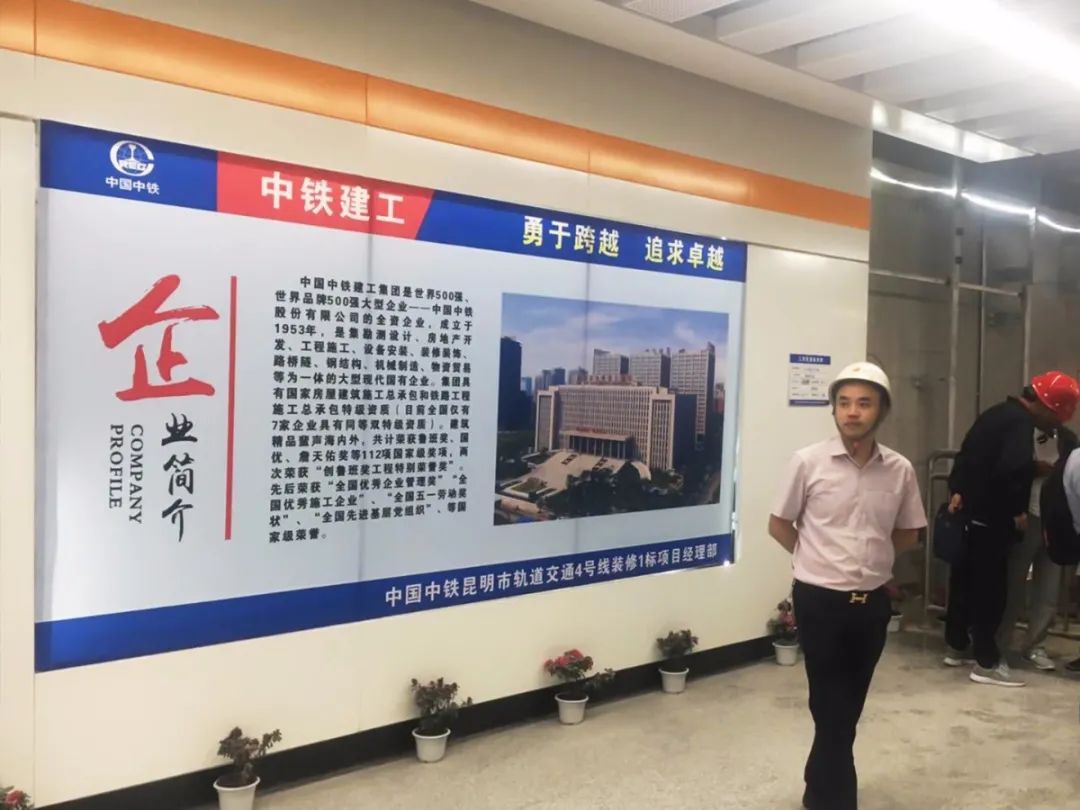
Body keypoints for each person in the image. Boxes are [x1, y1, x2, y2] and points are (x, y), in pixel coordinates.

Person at [769, 362, 926, 810]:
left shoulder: (899, 470)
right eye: (844, 403)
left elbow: (909, 532)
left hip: (872, 602)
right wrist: (816, 560)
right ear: (834, 409)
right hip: (819, 600)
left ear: (881, 410)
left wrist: (874, 561)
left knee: (849, 704)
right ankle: (836, 800)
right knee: (828, 702)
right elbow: (779, 524)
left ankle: (818, 785)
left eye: (863, 403)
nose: (852, 412)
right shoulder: (808, 462)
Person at [945, 371, 1080, 687]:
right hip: (1008, 519)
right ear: (1046, 406)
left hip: (1003, 517)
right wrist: (1017, 509)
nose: (1055, 424)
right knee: (997, 588)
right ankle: (989, 657)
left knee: (981, 584)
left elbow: (967, 459)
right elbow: (1010, 470)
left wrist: (958, 490)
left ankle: (968, 647)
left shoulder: (998, 416)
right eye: (1055, 416)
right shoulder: (1018, 424)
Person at [998, 427, 1078, 670]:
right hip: (1026, 514)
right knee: (1013, 583)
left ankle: (1035, 644)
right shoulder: (1019, 433)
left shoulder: (1067, 438)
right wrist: (1033, 469)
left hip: (1056, 518)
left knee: (1049, 588)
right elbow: (1005, 471)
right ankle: (999, 642)